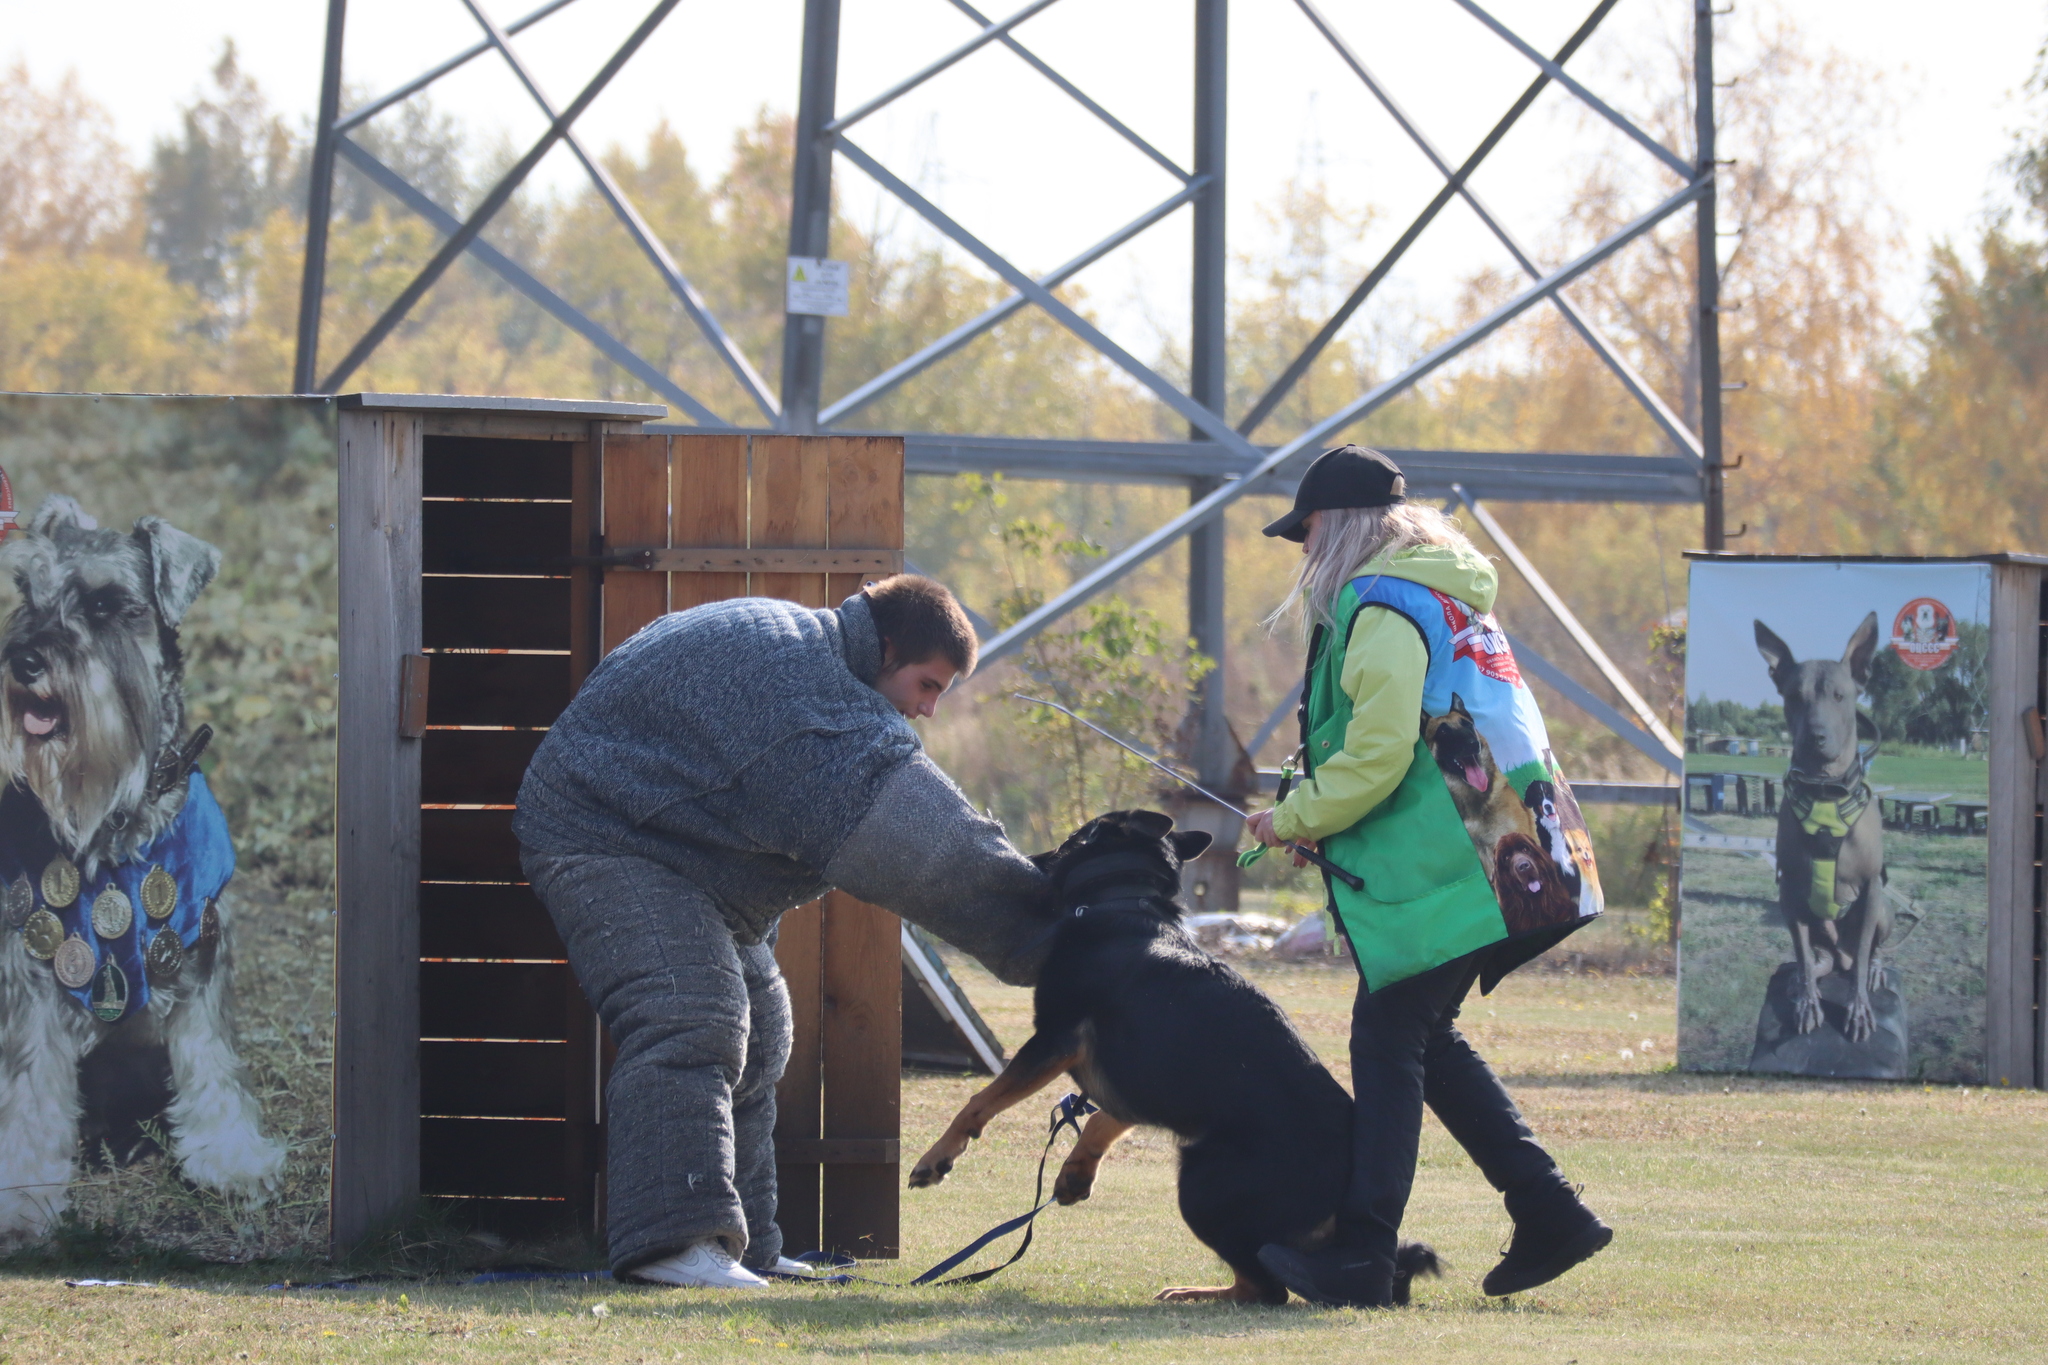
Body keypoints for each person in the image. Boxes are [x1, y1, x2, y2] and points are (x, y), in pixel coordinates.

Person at [512, 575, 1057, 1289]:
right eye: (926, 686)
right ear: (887, 647)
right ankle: (671, 1245)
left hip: (676, 844)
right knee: (691, 1015)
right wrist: (1049, 931)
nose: (926, 710)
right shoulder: (803, 695)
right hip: (603, 834)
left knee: (763, 1032)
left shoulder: (814, 662)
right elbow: (921, 841)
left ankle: (746, 1248)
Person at [1243, 446, 1613, 1307]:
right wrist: (1315, 812)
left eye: (1307, 532)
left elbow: (1375, 756)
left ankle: (1364, 1256)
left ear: (1340, 528)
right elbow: (1405, 746)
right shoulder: (1441, 593)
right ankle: (1548, 1209)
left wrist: (1291, 817)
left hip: (1473, 864)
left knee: (1388, 1035)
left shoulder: (1380, 606)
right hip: (1525, 849)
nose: (1303, 552)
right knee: (1418, 1036)